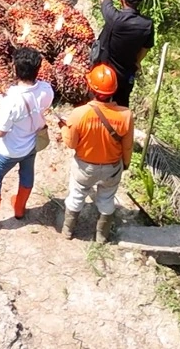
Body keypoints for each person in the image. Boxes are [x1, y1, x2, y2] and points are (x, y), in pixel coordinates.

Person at [0, 48, 54, 229]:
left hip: (10, 150)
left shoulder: (11, 100)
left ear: (15, 69)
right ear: (37, 69)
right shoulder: (46, 89)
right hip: (32, 144)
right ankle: (20, 208)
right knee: (26, 173)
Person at [57, 64, 133, 242]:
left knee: (76, 195)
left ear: (90, 87)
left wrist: (63, 128)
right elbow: (127, 146)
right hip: (112, 167)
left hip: (85, 167)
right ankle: (101, 235)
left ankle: (68, 231)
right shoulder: (126, 115)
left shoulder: (79, 114)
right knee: (107, 199)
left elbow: (71, 143)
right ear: (114, 89)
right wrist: (126, 164)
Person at [93, 0, 154, 108]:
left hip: (105, 72)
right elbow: (146, 48)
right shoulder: (147, 24)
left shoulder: (115, 18)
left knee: (99, 104)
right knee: (121, 106)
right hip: (126, 73)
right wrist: (137, 62)